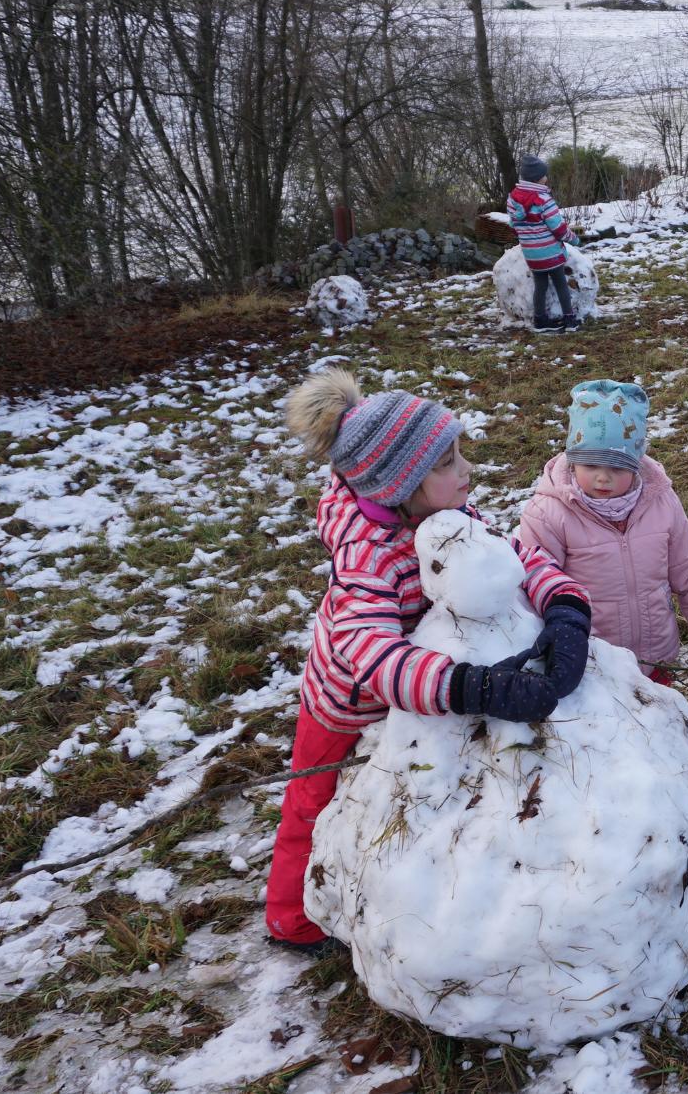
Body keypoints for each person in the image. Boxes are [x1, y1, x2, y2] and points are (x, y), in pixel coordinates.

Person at [266, 368, 592, 954]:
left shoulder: (447, 520)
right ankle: (292, 917)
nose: (467, 469)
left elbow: (514, 558)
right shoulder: (366, 560)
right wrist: (477, 688)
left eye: (460, 453)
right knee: (313, 798)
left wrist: (566, 610)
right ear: (400, 484)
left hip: (423, 693)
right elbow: (377, 662)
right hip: (349, 704)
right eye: (447, 463)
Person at [517, 380, 688, 686]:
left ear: (637, 465)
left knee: (659, 722)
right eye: (590, 465)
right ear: (573, 461)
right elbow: (535, 585)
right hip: (592, 660)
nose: (603, 478)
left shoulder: (660, 502)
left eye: (617, 468)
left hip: (656, 653)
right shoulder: (549, 514)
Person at [507, 154, 582, 331]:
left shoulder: (512, 199)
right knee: (560, 284)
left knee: (540, 286)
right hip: (550, 253)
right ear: (537, 178)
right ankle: (569, 319)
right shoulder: (543, 200)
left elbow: (513, 224)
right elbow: (558, 229)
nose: (546, 178)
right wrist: (575, 239)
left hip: (531, 254)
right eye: (544, 175)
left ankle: (540, 320)